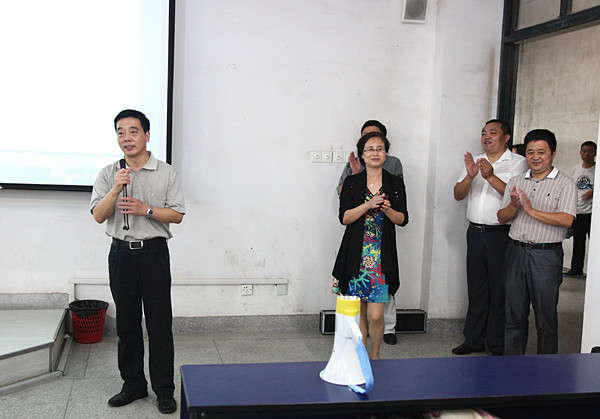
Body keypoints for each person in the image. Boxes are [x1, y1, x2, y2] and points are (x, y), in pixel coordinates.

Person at [90, 109, 185, 414]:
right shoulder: (109, 173)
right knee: (127, 325)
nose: (126, 138)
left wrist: (146, 210)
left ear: (146, 135)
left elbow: (177, 215)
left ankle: (164, 390)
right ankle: (133, 385)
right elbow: (98, 215)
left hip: (154, 254)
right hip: (121, 255)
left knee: (159, 324)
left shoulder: (167, 173)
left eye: (133, 131)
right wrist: (115, 188)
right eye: (120, 132)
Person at [498, 129, 577, 355]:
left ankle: (546, 368)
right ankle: (513, 364)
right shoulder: (516, 181)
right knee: (513, 315)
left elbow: (567, 219)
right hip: (515, 252)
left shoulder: (565, 183)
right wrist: (514, 207)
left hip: (546, 256)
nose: (535, 157)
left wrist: (531, 210)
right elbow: (501, 217)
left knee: (545, 317)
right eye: (530, 152)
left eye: (541, 152)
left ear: (553, 153)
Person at [452, 119, 528, 356]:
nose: (486, 136)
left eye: (492, 133)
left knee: (499, 290)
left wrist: (491, 176)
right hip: (475, 233)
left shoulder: (518, 163)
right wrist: (470, 177)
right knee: (476, 289)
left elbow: (517, 196)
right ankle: (474, 339)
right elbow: (457, 194)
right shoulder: (474, 161)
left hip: (500, 236)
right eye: (484, 132)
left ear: (506, 137)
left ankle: (496, 343)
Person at [333, 131, 409, 359]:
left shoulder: (395, 182)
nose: (375, 153)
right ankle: (362, 357)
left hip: (381, 257)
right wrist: (367, 205)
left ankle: (375, 356)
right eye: (370, 149)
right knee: (360, 314)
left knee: (376, 315)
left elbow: (402, 219)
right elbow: (345, 218)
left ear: (386, 154)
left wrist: (388, 209)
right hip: (356, 255)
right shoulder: (352, 183)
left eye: (380, 149)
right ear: (362, 154)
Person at [565, 141, 596, 277]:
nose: (587, 154)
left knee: (594, 243)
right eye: (584, 151)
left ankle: (594, 271)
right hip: (577, 211)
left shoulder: (597, 169)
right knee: (578, 242)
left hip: (592, 213)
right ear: (580, 153)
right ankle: (576, 269)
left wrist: (593, 192)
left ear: (595, 153)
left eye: (590, 151)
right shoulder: (576, 169)